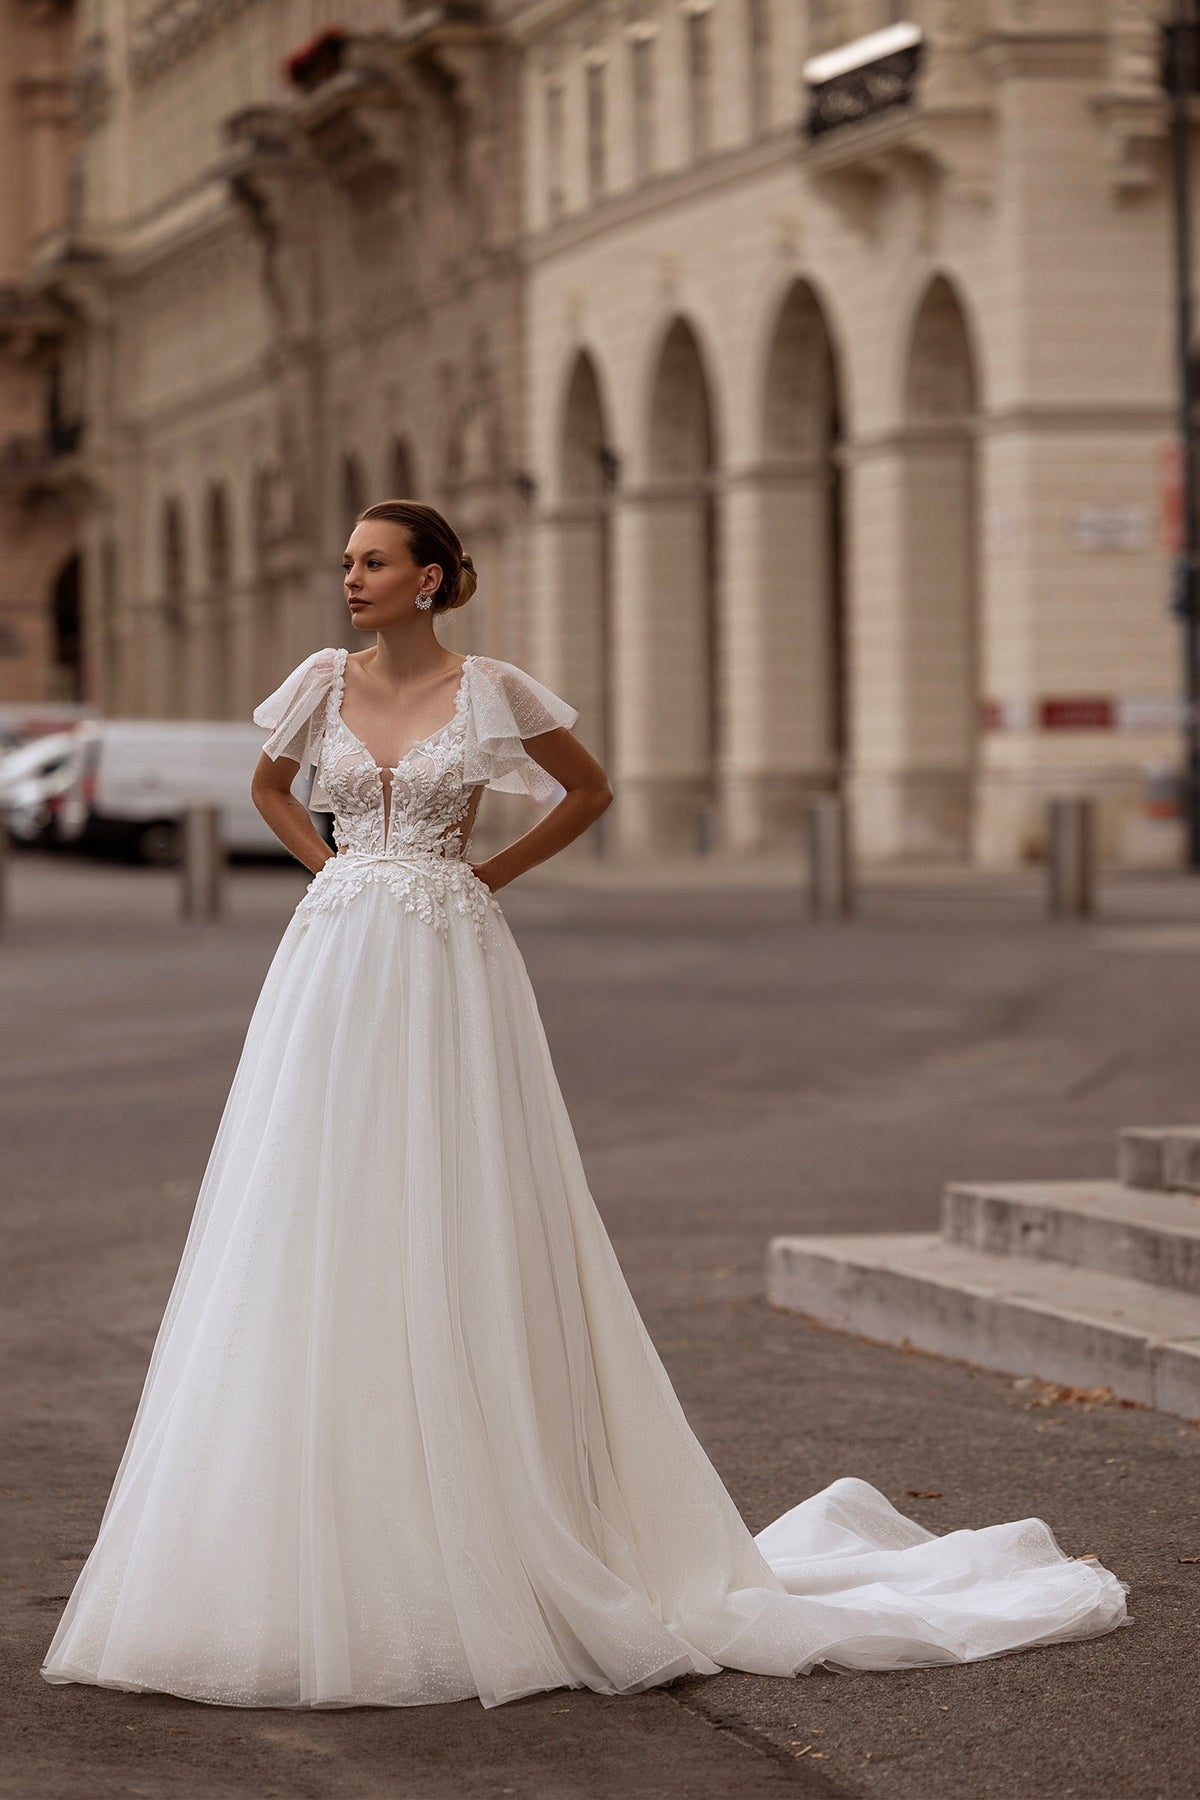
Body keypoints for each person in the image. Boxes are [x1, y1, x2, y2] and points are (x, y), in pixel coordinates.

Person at [40, 500, 1128, 1710]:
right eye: (346, 562)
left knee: (461, 1192)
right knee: (309, 1185)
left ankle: (494, 1492)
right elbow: (268, 788)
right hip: (334, 953)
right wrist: (334, 866)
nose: (350, 579)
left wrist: (476, 874)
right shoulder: (318, 681)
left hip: (452, 953)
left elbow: (588, 792)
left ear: (435, 580)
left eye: (375, 562)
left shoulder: (493, 687)